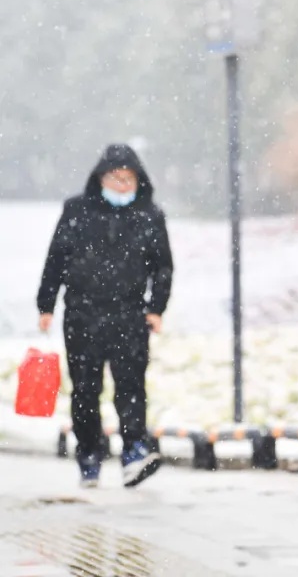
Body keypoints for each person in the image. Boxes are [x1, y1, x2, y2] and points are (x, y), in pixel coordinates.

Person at [37, 144, 173, 489]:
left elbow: (163, 267)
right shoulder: (77, 211)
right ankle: (89, 454)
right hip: (82, 314)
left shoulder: (149, 215)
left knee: (131, 388)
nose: (123, 185)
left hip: (129, 314)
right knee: (85, 390)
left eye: (129, 179)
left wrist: (156, 307)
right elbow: (56, 258)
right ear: (100, 178)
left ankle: (133, 453)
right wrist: (46, 305)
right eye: (116, 178)